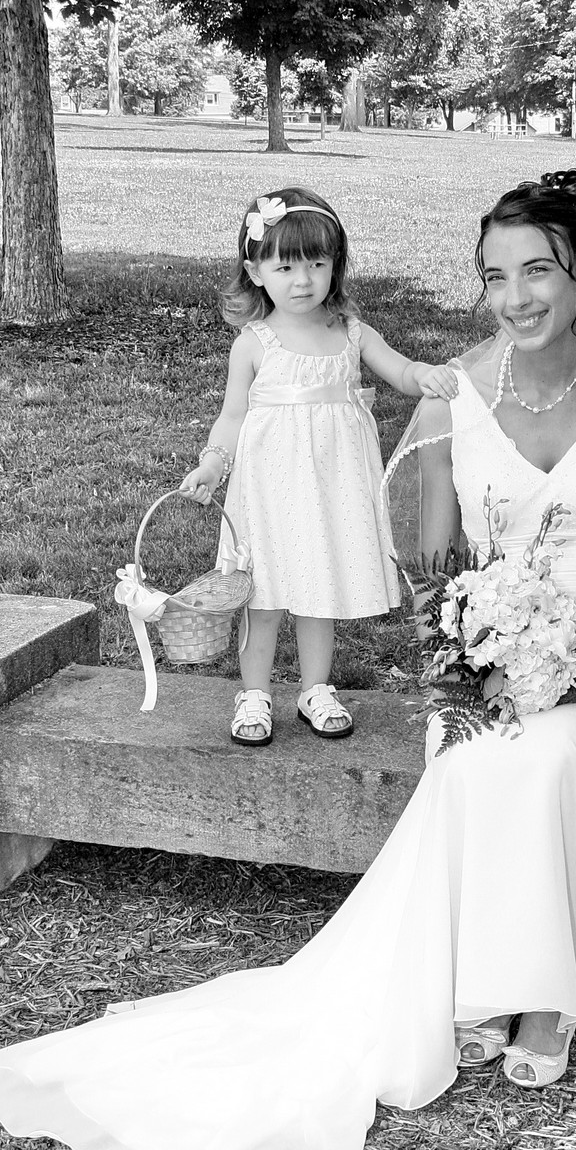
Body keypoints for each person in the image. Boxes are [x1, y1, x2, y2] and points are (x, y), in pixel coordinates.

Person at [0, 171, 576, 1150]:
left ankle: (540, 995)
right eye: (495, 277)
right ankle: (490, 984)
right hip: (486, 666)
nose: (516, 297)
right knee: (477, 757)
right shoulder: (454, 392)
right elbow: (440, 569)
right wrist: (468, 664)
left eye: (538, 271)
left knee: (547, 759)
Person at [178, 187, 457, 747]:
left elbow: (400, 371)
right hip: (269, 488)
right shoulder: (254, 343)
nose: (302, 280)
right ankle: (254, 693)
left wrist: (424, 374)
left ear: (336, 266)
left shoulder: (352, 334)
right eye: (285, 267)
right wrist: (213, 463)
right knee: (262, 593)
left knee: (318, 588)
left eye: (316, 264)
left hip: (331, 485)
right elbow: (232, 416)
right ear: (255, 272)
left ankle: (315, 688)